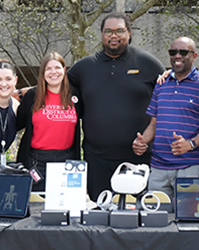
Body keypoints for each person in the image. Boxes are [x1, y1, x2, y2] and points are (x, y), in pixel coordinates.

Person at [67, 12, 165, 202]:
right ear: (101, 34)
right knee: (98, 219)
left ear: (129, 33)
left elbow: (167, 100)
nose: (114, 35)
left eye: (119, 30)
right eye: (108, 31)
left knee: (134, 219)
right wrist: (20, 92)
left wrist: (150, 138)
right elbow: (53, 85)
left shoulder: (148, 64)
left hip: (137, 159)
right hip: (96, 161)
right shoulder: (84, 67)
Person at [132, 37, 199, 199]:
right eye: (173, 52)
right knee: (156, 219)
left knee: (190, 219)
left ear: (194, 56)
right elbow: (154, 123)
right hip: (158, 169)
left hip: (190, 167)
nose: (177, 56)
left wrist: (190, 144)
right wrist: (142, 141)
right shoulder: (161, 84)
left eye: (183, 52)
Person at [16, 52, 81, 192]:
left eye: (57, 67)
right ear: (43, 73)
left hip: (67, 160)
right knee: (35, 205)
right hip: (37, 162)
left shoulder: (75, 96)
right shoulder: (32, 96)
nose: (53, 72)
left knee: (64, 206)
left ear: (64, 70)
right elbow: (16, 123)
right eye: (48, 69)